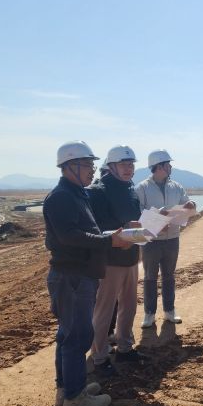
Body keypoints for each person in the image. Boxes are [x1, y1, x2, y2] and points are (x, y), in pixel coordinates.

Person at [43, 141, 132, 406]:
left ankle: (68, 390)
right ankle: (75, 399)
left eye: (93, 165)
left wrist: (114, 234)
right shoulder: (61, 197)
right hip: (72, 278)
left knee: (68, 336)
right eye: (88, 165)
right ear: (70, 166)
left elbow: (87, 232)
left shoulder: (77, 194)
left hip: (79, 276)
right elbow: (69, 237)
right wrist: (110, 241)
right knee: (77, 338)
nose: (93, 170)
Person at [87, 145, 143, 377]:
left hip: (131, 256)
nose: (128, 168)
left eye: (131, 164)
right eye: (123, 164)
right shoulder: (97, 192)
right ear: (111, 166)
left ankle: (125, 347)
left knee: (129, 305)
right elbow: (96, 227)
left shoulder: (130, 189)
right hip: (109, 260)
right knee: (104, 309)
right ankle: (99, 357)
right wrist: (124, 228)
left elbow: (135, 219)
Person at [135, 149, 196, 327]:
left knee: (169, 276)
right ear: (159, 166)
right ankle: (149, 314)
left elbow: (186, 204)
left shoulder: (176, 186)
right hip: (151, 241)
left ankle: (169, 311)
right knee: (150, 278)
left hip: (172, 239)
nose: (170, 167)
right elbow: (137, 212)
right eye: (167, 164)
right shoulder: (142, 188)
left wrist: (190, 205)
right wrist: (157, 217)